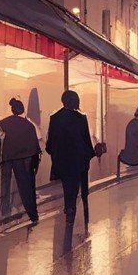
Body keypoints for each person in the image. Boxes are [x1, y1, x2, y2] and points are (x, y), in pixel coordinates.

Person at [46, 90, 96, 227]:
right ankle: (77, 206)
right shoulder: (80, 118)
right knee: (77, 185)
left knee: (67, 185)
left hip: (62, 158)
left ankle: (69, 206)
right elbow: (86, 139)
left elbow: (50, 141)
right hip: (78, 158)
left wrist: (53, 154)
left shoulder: (55, 117)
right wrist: (91, 154)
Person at [0, 97, 40, 223]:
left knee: (5, 183)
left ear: (12, 109)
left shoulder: (3, 122)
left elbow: (0, 138)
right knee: (26, 185)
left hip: (7, 157)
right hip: (24, 158)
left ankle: (5, 210)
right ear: (23, 110)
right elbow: (34, 146)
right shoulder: (29, 125)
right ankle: (32, 214)